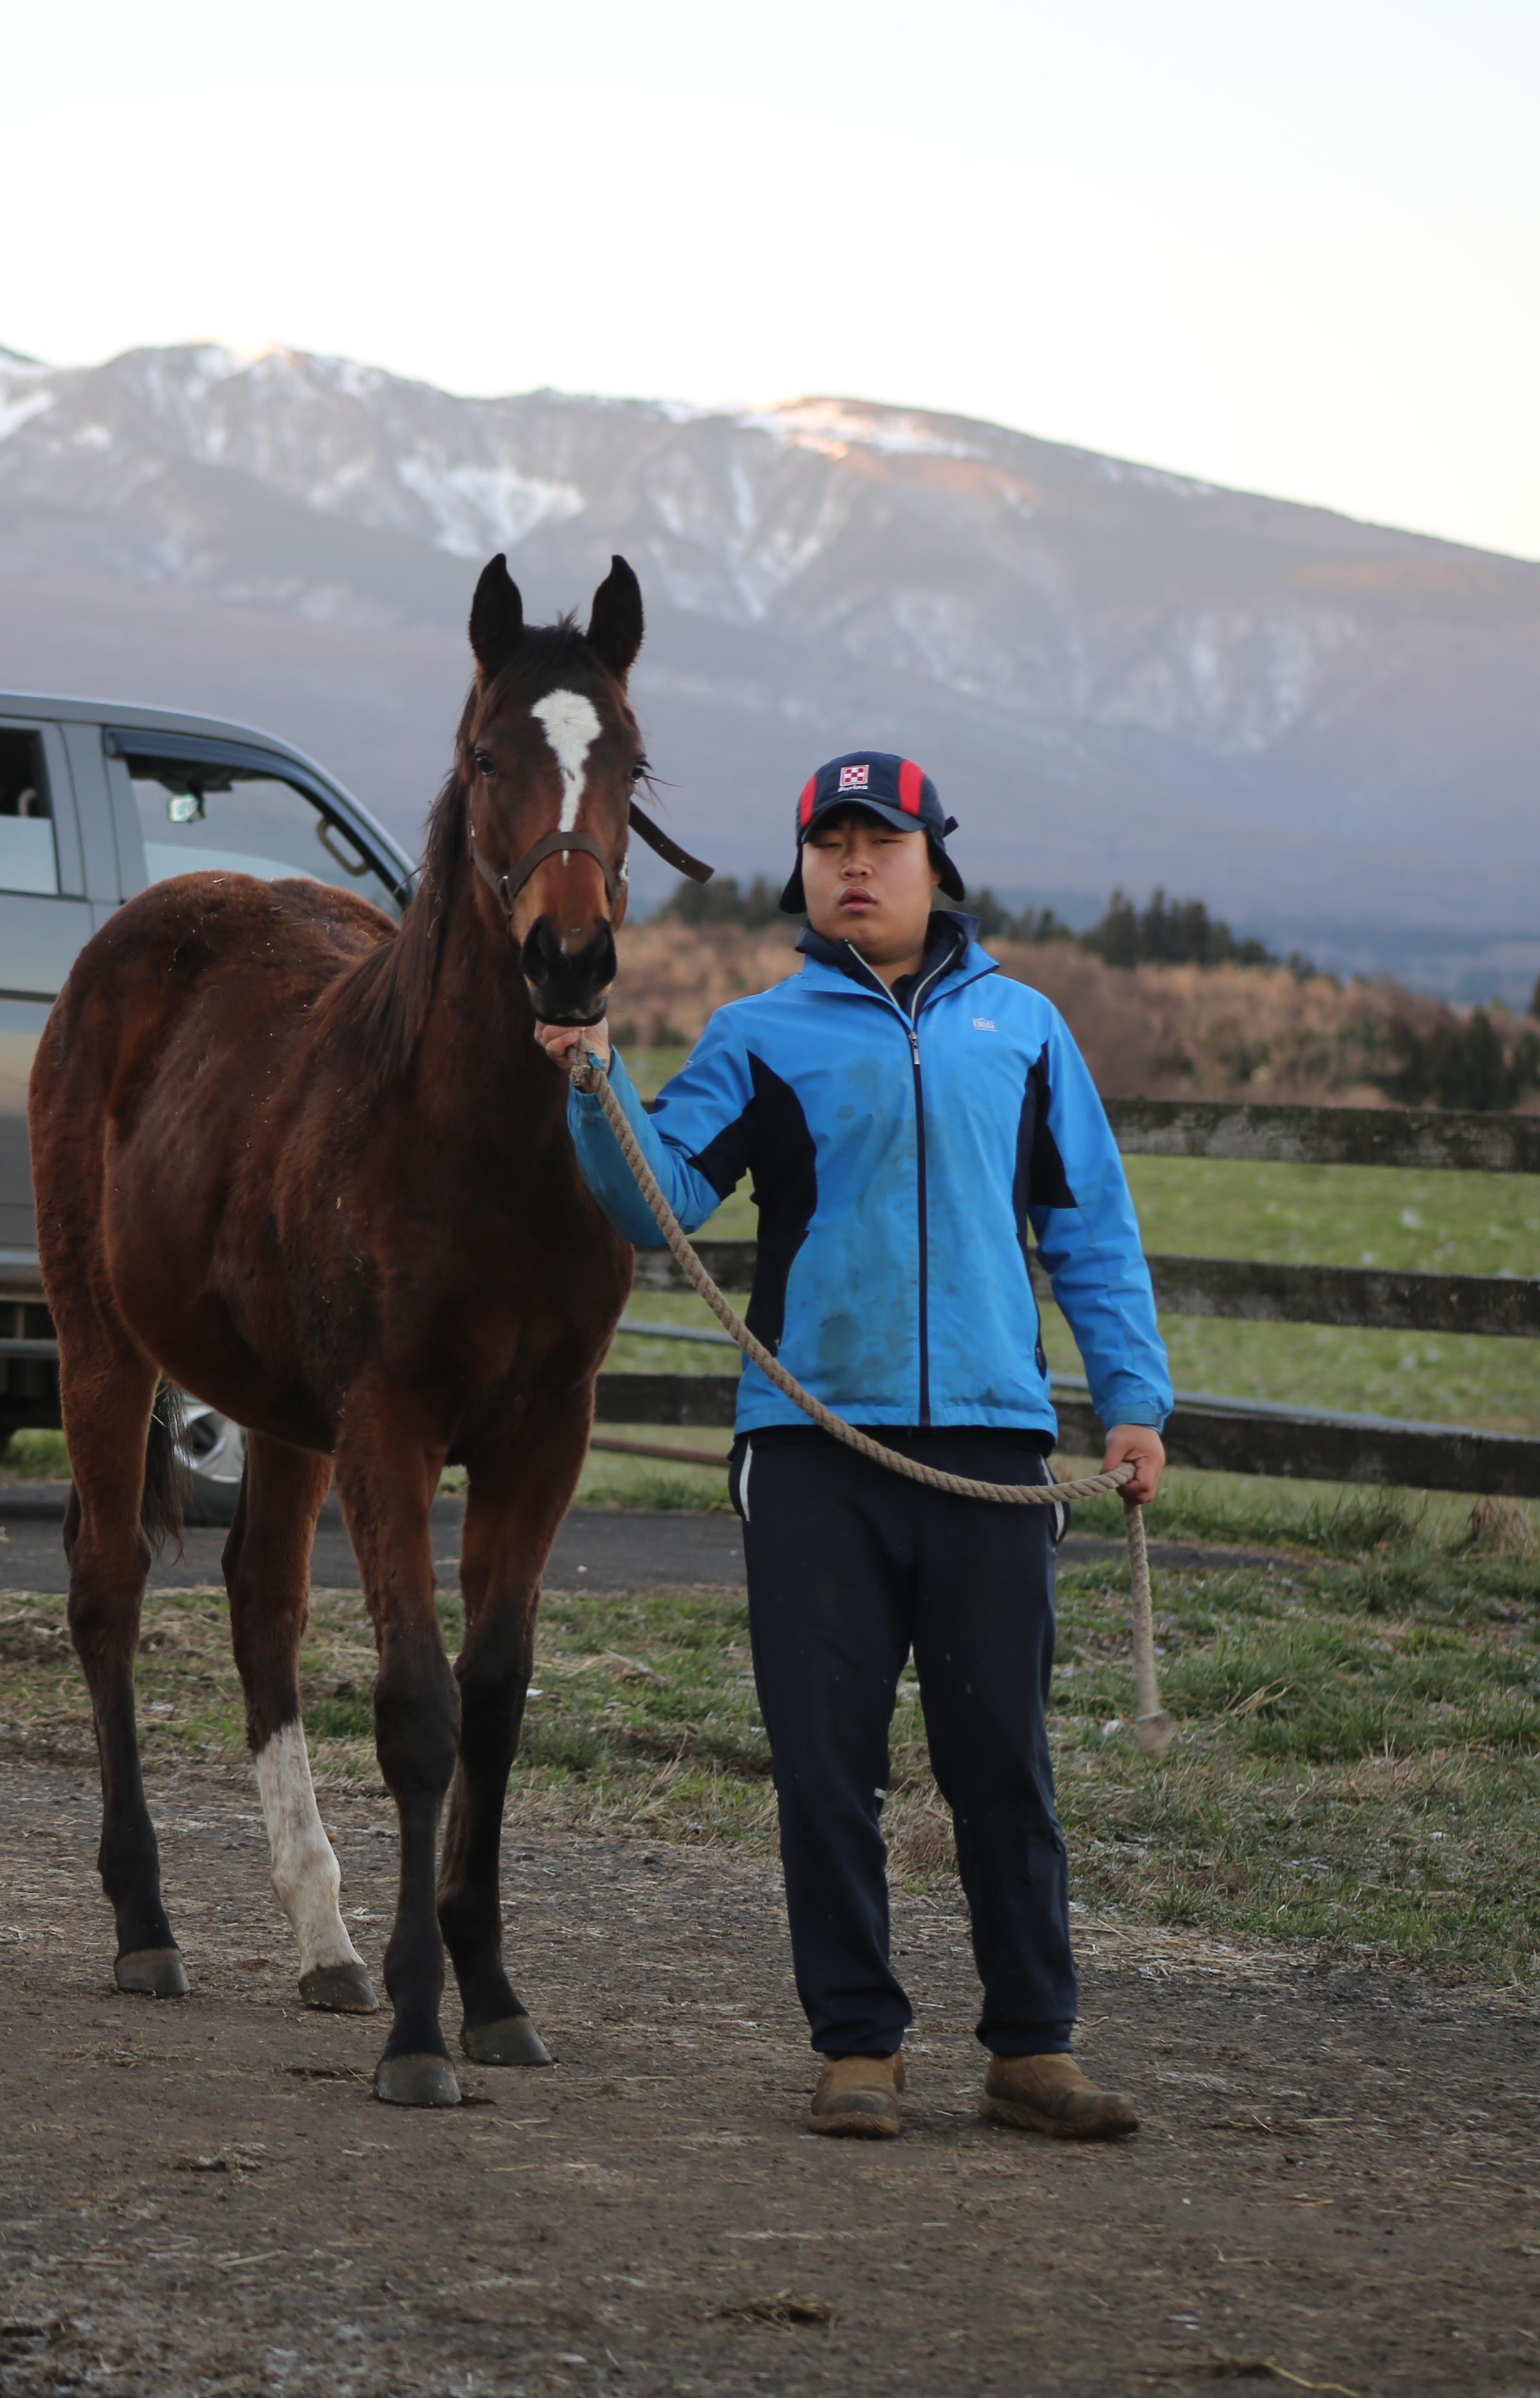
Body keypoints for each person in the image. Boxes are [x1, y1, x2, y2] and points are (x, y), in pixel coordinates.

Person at [536, 750, 1171, 2141]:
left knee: (1000, 1755)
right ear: (803, 873)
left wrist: (1132, 1401)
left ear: (938, 862)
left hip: (995, 1452)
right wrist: (596, 1089)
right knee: (827, 1761)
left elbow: (1090, 1232)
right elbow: (662, 1205)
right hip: (814, 1447)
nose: (856, 866)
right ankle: (859, 2045)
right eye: (831, 845)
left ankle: (1032, 2048)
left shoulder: (1026, 1032)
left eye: (882, 841)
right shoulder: (760, 1035)